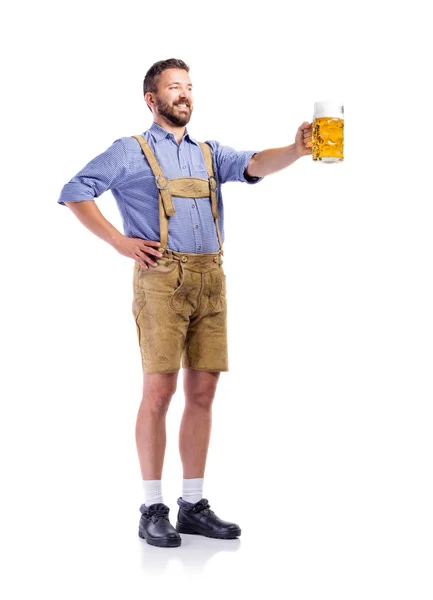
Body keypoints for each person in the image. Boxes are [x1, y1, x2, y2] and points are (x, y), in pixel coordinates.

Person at [58, 58, 313, 548]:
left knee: (203, 395)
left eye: (190, 87)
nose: (185, 94)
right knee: (158, 394)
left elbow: (256, 162)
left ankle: (192, 505)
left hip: (211, 279)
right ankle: (152, 507)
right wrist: (118, 240)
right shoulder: (129, 152)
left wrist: (299, 150)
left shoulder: (209, 153)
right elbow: (75, 191)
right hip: (161, 281)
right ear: (152, 100)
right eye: (174, 87)